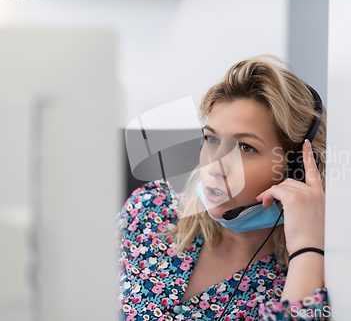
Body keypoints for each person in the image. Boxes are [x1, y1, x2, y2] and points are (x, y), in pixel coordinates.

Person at [117, 55, 328, 320]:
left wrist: (306, 250)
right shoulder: (149, 209)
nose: (215, 166)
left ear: (295, 170)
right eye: (212, 139)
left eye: (245, 147)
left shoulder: (308, 273)